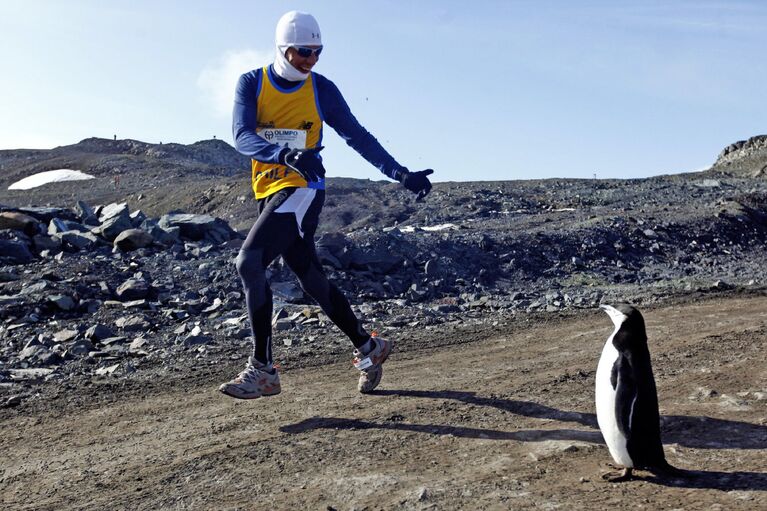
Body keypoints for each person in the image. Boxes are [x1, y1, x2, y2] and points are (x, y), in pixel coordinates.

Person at [219, 10, 433, 399]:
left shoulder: (322, 89)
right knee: (309, 277)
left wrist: (401, 174)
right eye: (303, 51)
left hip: (303, 189)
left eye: (318, 51)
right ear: (283, 48)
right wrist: (284, 154)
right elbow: (241, 136)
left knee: (248, 262)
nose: (311, 59)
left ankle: (262, 370)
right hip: (270, 187)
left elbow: (358, 136)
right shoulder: (252, 83)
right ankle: (369, 347)